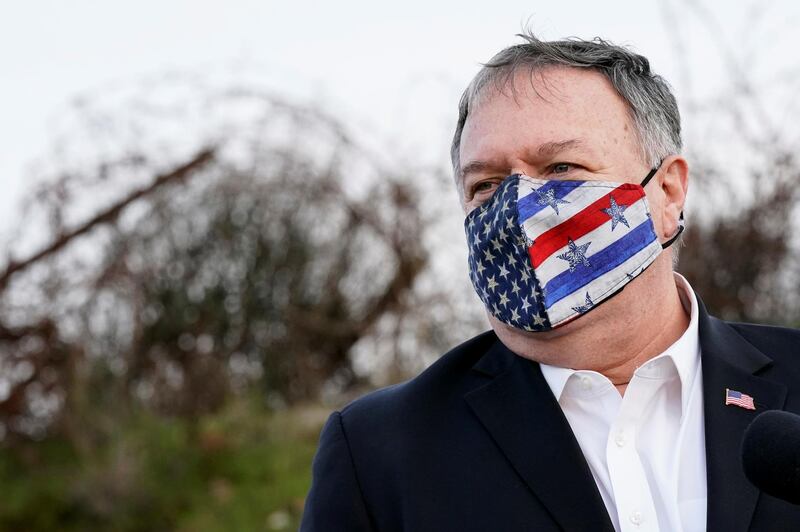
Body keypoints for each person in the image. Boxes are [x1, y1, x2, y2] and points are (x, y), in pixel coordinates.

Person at [300, 32, 800, 532]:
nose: (519, 210)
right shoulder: (379, 453)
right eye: (486, 185)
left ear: (667, 193)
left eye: (561, 168)